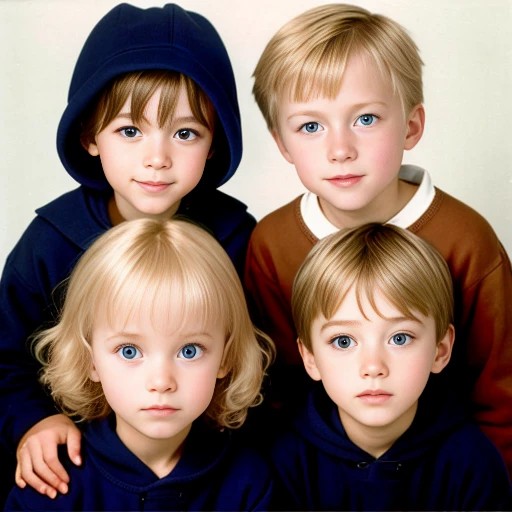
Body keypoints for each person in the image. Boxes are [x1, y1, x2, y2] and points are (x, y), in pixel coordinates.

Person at [0, 2, 255, 504]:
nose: (157, 158)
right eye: (130, 130)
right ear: (89, 136)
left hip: (201, 468)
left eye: (184, 133)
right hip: (76, 467)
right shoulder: (50, 242)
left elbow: (255, 362)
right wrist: (35, 420)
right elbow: (5, 359)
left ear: (213, 142)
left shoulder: (235, 239)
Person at [244, 3, 512, 474]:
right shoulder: (273, 245)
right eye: (311, 126)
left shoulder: (467, 240)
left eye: (365, 119)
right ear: (283, 144)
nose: (340, 149)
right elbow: (278, 394)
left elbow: (501, 393)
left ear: (411, 126)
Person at [4, 217, 275, 511]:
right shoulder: (52, 481)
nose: (161, 381)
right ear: (91, 359)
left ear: (226, 357)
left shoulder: (250, 480)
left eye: (189, 350)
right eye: (130, 351)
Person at [270, 223, 511, 511]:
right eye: (344, 341)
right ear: (310, 358)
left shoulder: (475, 464)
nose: (373, 367)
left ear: (440, 350)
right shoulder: (281, 462)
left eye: (399, 338)